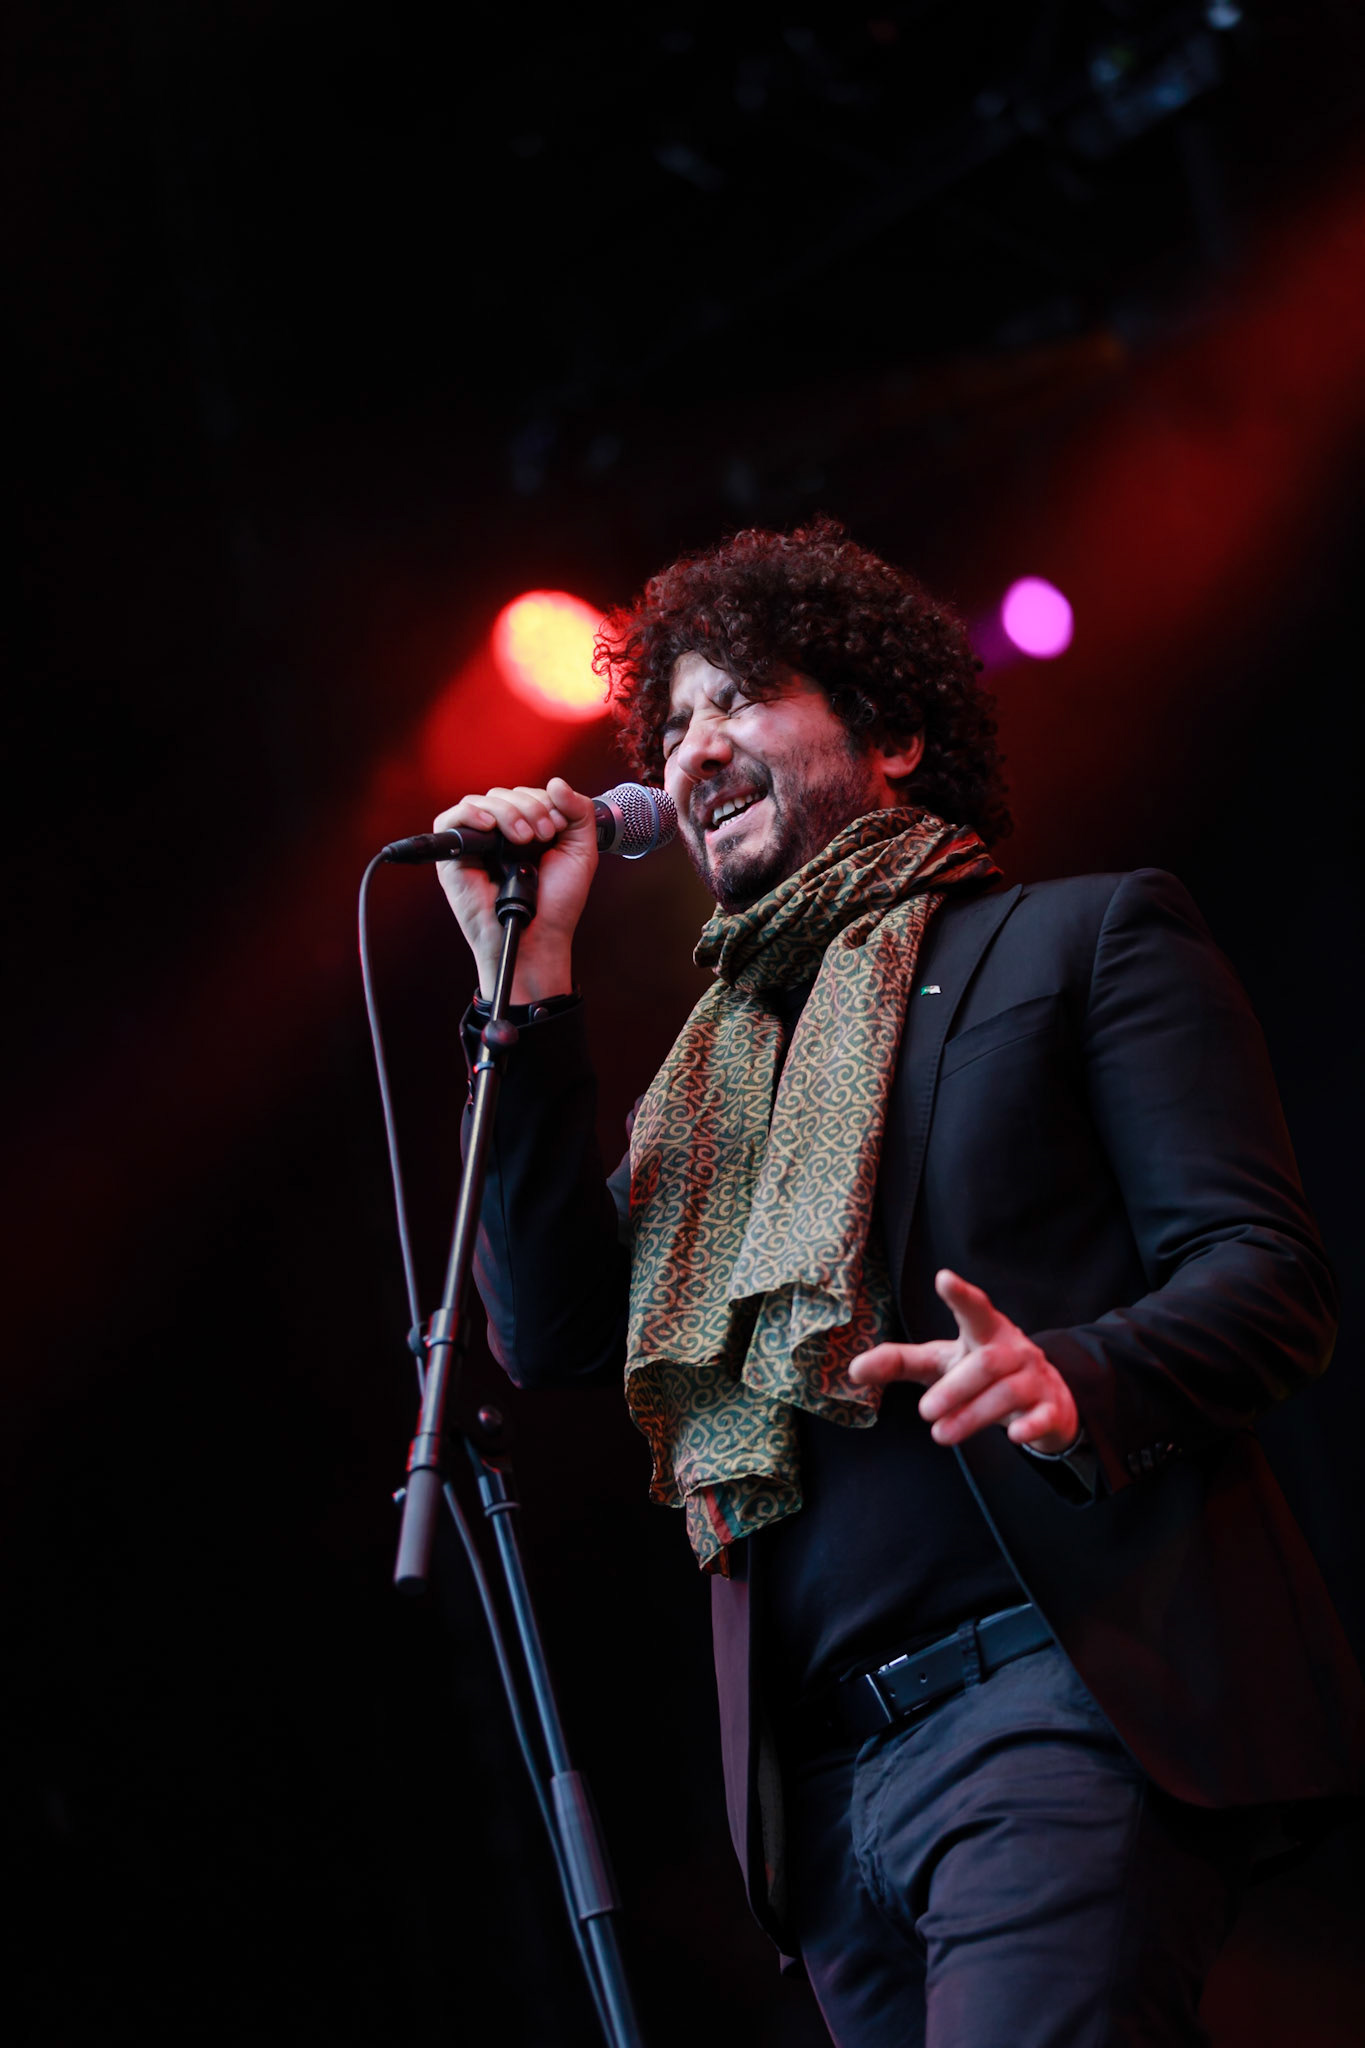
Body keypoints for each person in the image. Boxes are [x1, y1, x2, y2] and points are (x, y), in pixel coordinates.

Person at [436, 519, 1360, 2047]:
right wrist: (521, 986)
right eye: (670, 725)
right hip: (820, 1798)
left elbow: (1267, 1276)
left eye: (738, 701)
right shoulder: (714, 1088)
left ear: (895, 735)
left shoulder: (1079, 940)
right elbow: (544, 1328)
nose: (693, 747)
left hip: (1056, 1701)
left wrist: (1078, 1374)